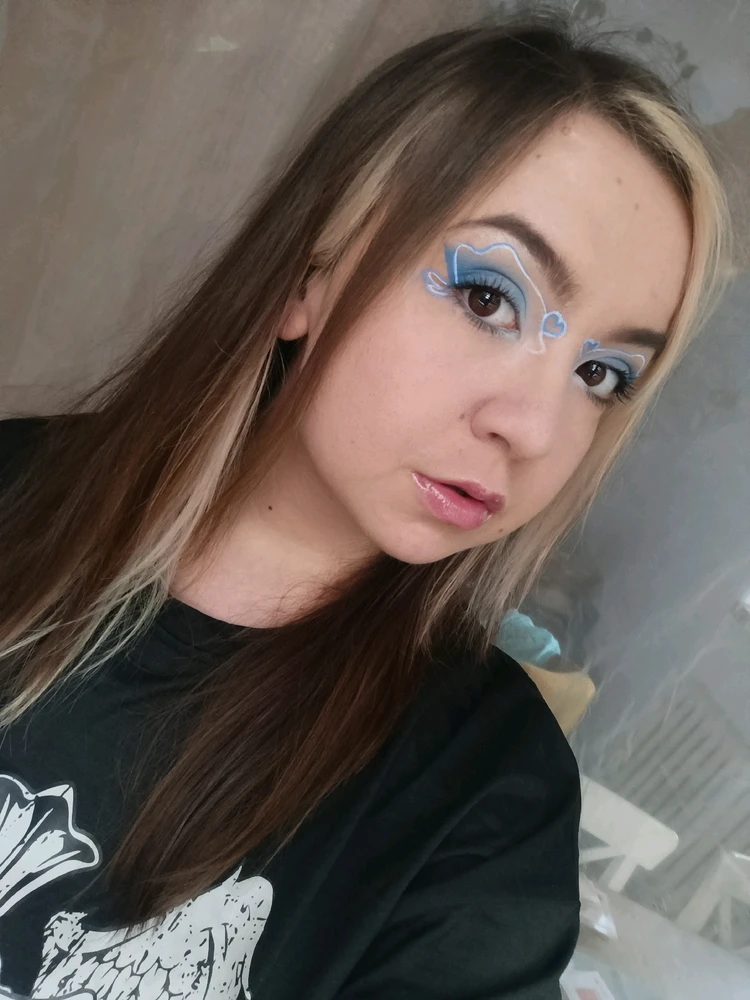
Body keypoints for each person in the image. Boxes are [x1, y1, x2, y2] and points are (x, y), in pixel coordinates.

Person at [0, 12, 729, 1000]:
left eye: (600, 374)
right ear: (309, 274)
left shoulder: (485, 799)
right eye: (488, 298)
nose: (535, 428)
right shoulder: (18, 491)